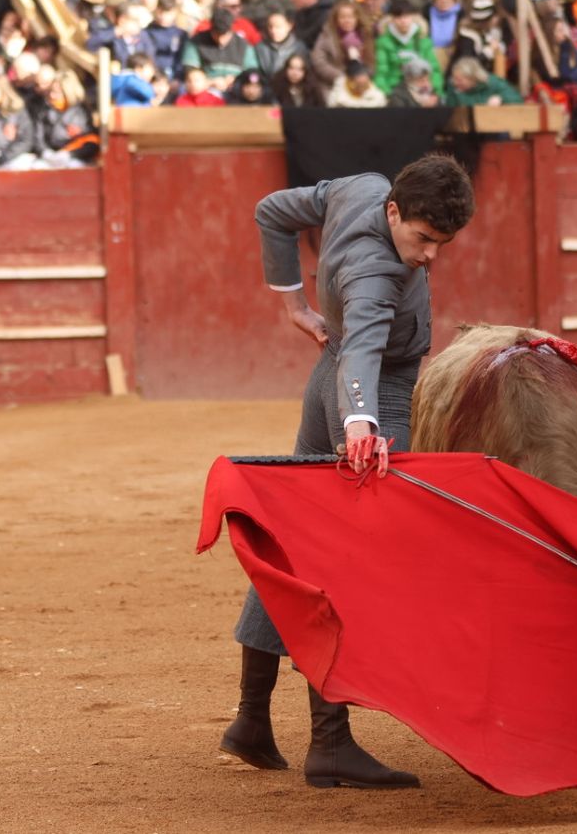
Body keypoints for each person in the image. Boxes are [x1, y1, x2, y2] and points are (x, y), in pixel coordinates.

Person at [223, 155, 476, 791]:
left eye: (440, 244)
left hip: (327, 378)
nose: (429, 257)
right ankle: (330, 742)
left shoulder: (360, 186)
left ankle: (252, 721)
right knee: (347, 558)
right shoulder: (375, 268)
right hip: (372, 390)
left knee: (295, 542)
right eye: (422, 239)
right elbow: (364, 343)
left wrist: (292, 304)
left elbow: (272, 212)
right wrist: (362, 420)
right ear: (394, 212)